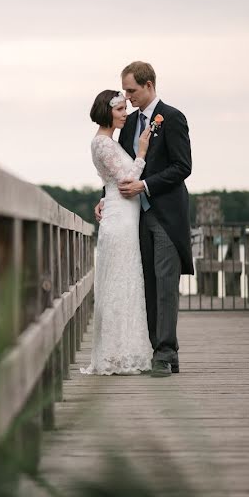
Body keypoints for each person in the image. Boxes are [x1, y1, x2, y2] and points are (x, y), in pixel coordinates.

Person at [94, 61, 194, 377]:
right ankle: (155, 348)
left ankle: (165, 353)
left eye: (132, 90)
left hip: (164, 215)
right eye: (125, 90)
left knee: (166, 283)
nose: (128, 96)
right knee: (146, 284)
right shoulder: (129, 125)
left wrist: (146, 185)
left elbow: (182, 166)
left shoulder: (173, 118)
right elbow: (117, 168)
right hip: (133, 218)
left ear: (149, 85)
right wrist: (104, 197)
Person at [81, 89, 153, 375]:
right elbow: (126, 182)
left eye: (125, 108)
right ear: (107, 111)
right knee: (118, 283)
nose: (125, 113)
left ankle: (126, 351)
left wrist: (103, 198)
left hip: (122, 214)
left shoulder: (109, 143)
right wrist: (143, 153)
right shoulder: (102, 144)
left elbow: (112, 184)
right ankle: (114, 353)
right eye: (120, 109)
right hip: (119, 219)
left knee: (127, 281)